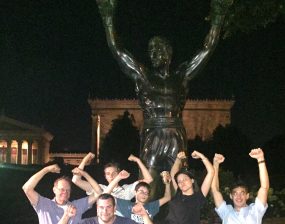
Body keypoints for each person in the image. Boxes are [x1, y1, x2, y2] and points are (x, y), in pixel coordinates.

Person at [96, 0, 232, 175]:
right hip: (152, 132)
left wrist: (218, 17)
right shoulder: (143, 75)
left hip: (176, 133)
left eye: (158, 50)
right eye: (151, 50)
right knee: (149, 183)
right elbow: (118, 51)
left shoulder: (181, 76)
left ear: (168, 53)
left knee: (180, 182)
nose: (153, 54)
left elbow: (207, 49)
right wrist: (108, 18)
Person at [72, 152, 153, 203]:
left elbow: (149, 179)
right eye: (108, 173)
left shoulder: (127, 189)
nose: (111, 176)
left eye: (114, 173)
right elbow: (76, 180)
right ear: (105, 176)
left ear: (119, 173)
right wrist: (85, 160)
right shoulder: (99, 187)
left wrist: (138, 160)